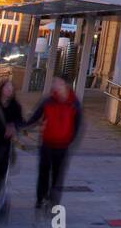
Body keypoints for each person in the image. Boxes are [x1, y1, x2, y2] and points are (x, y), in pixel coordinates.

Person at [24, 74, 82, 209]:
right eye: (54, 82)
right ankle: (40, 198)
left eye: (58, 83)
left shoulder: (74, 103)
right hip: (47, 144)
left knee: (57, 175)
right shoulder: (48, 101)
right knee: (43, 172)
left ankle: (53, 200)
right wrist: (21, 126)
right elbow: (34, 117)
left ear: (65, 85)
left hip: (62, 146)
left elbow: (77, 125)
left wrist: (70, 140)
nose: (55, 85)